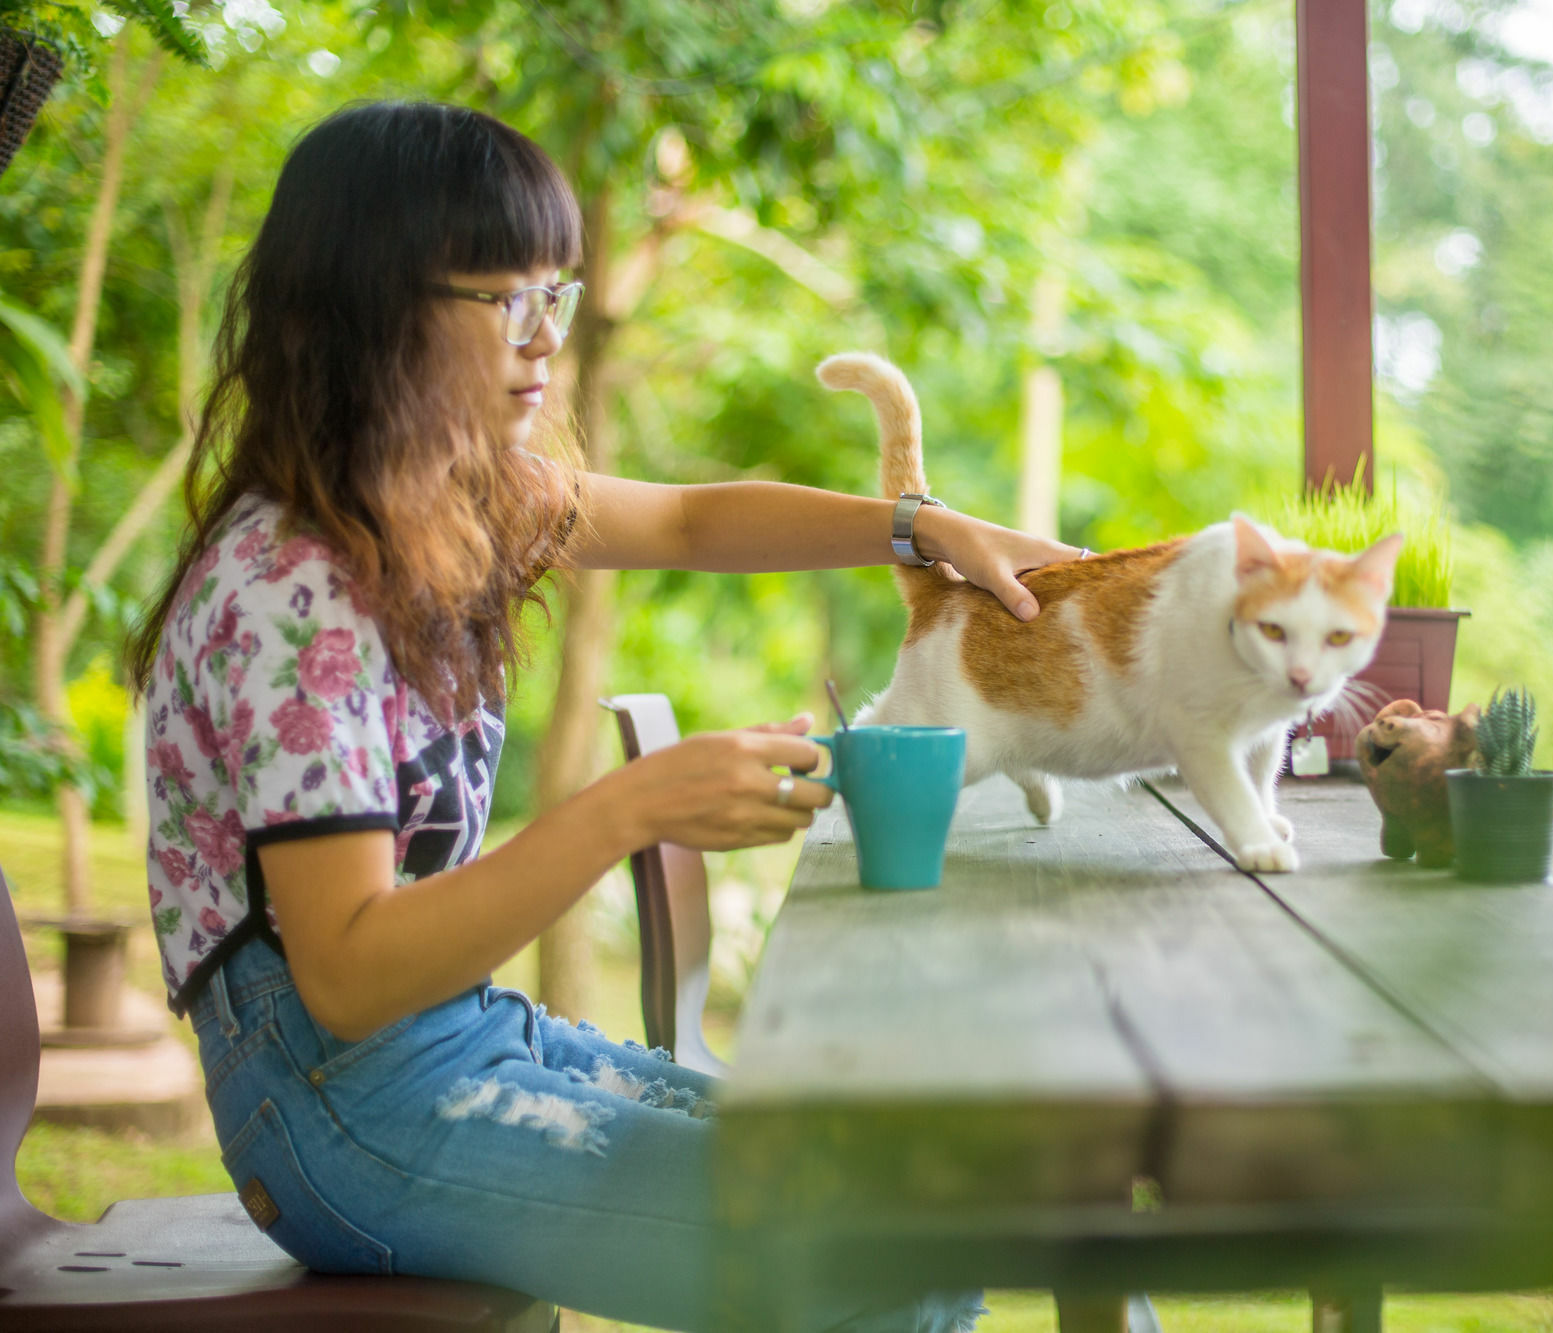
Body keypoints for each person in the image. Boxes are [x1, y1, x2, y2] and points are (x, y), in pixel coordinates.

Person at [125, 100, 1076, 1332]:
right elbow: (350, 977)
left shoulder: (448, 500)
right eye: (505, 301)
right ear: (370, 305)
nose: (543, 343)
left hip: (447, 1042)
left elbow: (687, 519)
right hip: (338, 1105)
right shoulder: (294, 583)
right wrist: (629, 809)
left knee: (911, 1211)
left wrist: (914, 525)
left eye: (556, 297)